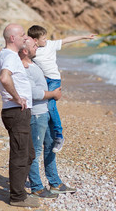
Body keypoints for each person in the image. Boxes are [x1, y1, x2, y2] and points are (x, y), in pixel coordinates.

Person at [19, 37, 77, 198]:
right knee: (35, 152)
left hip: (46, 112)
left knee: (51, 146)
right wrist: (53, 94)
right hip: (37, 114)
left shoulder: (33, 64)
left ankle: (55, 183)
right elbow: (32, 93)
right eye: (34, 45)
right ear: (25, 50)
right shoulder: (24, 68)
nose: (37, 46)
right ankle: (37, 187)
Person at [28, 25, 96, 153]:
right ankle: (46, 134)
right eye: (43, 38)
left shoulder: (50, 45)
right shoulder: (33, 49)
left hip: (53, 79)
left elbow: (66, 40)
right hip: (41, 80)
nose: (46, 39)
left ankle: (59, 136)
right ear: (35, 40)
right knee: (43, 107)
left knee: (51, 106)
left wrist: (83, 36)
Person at [0, 24, 39, 208]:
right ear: (12, 38)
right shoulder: (10, 56)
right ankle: (18, 197)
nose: (25, 38)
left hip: (17, 112)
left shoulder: (6, 55)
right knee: (21, 155)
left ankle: (19, 189)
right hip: (16, 111)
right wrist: (17, 97)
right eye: (22, 35)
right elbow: (5, 78)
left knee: (28, 153)